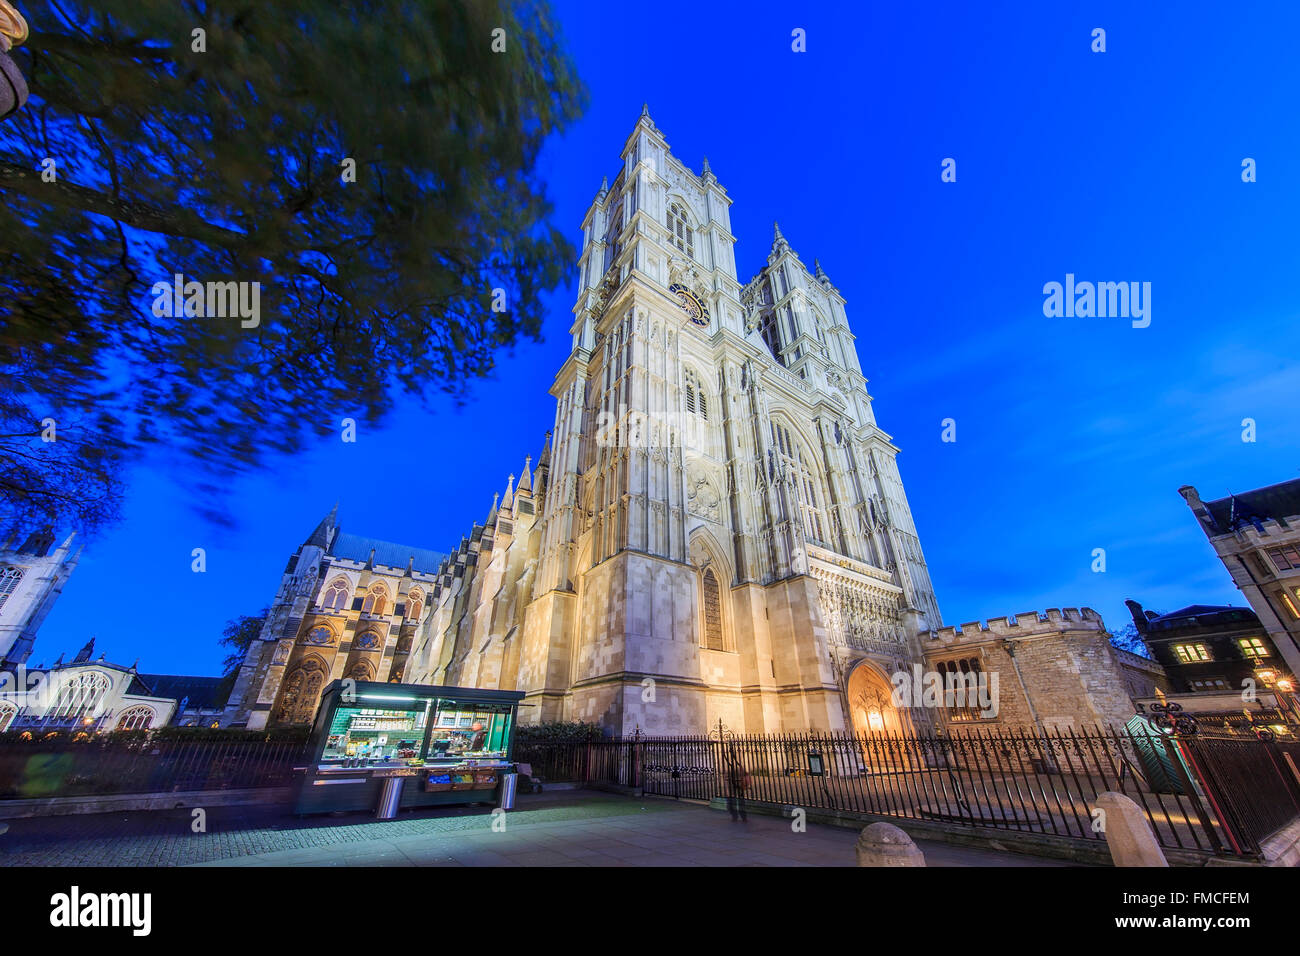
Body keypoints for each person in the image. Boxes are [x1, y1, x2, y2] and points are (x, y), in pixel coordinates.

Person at [726, 748, 749, 823]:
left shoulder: (738, 763)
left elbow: (744, 773)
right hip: (732, 784)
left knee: (738, 801)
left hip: (738, 784)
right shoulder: (729, 762)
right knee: (736, 801)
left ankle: (740, 816)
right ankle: (738, 816)